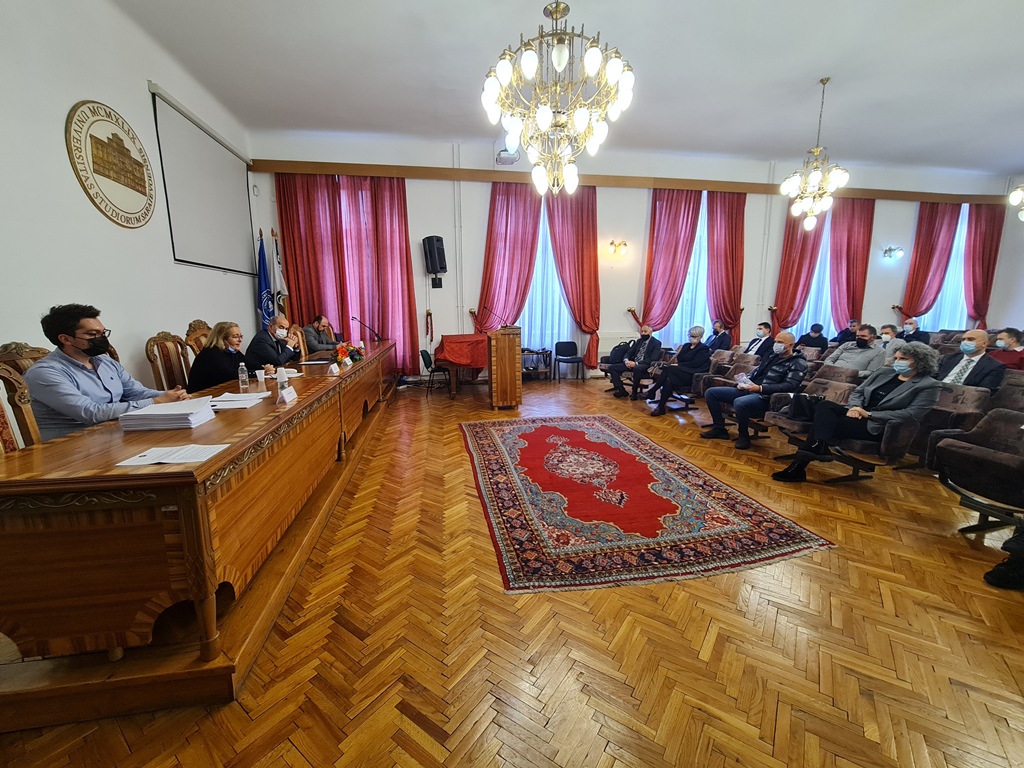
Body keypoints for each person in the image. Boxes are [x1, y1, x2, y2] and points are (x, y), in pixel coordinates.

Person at [772, 342, 942, 483]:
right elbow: (859, 392)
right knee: (824, 406)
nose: (898, 362)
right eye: (897, 358)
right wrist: (855, 408)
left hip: (877, 425)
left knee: (821, 424)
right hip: (856, 414)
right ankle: (817, 448)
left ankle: (801, 464)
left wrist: (869, 414)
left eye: (903, 359)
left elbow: (911, 414)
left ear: (920, 362)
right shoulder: (884, 372)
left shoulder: (929, 385)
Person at [23, 303, 189, 441]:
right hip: (69, 446)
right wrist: (155, 402)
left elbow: (135, 392)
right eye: (92, 334)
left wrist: (171, 396)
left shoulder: (104, 361)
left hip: (114, 434)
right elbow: (90, 413)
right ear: (65, 339)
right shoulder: (45, 373)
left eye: (103, 333)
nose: (101, 339)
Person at [700, 331, 807, 450]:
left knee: (740, 402)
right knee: (711, 393)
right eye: (775, 341)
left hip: (767, 396)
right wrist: (743, 383)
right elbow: (756, 372)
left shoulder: (798, 363)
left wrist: (761, 388)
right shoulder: (771, 356)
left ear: (791, 345)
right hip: (750, 388)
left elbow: (790, 386)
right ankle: (719, 429)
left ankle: (743, 435)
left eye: (780, 342)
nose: (776, 344)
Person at [187, 322, 276, 393]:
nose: (240, 340)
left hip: (224, 392)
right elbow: (231, 375)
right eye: (235, 337)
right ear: (222, 339)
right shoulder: (211, 353)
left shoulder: (232, 351)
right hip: (203, 396)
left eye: (240, 336)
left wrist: (264, 369)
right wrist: (259, 372)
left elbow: (249, 364)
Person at [645, 326, 711, 416]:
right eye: (690, 335)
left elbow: (696, 363)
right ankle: (660, 407)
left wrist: (680, 365)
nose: (691, 338)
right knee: (668, 380)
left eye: (694, 336)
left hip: (692, 375)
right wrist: (681, 364)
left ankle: (652, 391)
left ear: (700, 337)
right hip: (680, 372)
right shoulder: (686, 346)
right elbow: (680, 358)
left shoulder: (703, 348)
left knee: (667, 369)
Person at [936, 328, 1006, 392]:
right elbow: (933, 377)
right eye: (963, 339)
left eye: (970, 339)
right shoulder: (948, 358)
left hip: (962, 396)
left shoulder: (994, 366)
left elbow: (983, 392)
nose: (965, 342)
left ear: (984, 343)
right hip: (936, 391)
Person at [608, 324, 663, 399]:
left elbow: (653, 358)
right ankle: (621, 390)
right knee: (612, 367)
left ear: (650, 332)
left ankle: (634, 392)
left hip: (645, 364)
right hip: (632, 363)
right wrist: (626, 360)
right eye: (642, 331)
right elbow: (629, 353)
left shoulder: (656, 343)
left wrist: (636, 363)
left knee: (637, 368)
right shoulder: (639, 341)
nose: (643, 333)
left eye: (645, 331)